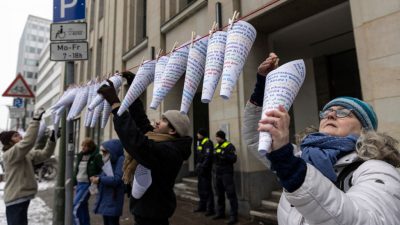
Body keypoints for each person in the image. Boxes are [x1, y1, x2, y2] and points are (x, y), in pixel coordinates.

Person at [243, 53, 400, 225]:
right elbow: (256, 135)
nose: (331, 115)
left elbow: (366, 219)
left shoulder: (376, 168)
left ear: (365, 130)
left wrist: (290, 165)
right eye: (326, 112)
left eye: (343, 112)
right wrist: (263, 87)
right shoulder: (302, 156)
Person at [97, 77, 192, 225]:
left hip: (153, 216)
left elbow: (137, 143)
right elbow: (141, 122)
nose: (158, 121)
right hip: (147, 212)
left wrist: (116, 105)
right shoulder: (160, 140)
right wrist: (134, 87)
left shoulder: (170, 151)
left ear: (173, 130)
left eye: (164, 120)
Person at [1, 108, 58, 225]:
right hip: (15, 199)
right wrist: (36, 120)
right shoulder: (10, 154)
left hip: (22, 197)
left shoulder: (25, 153)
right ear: (10, 142)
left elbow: (44, 154)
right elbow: (28, 141)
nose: (20, 137)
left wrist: (52, 139)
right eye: (16, 136)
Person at [92, 139, 125, 225]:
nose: (103, 154)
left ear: (112, 151)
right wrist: (97, 177)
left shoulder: (120, 160)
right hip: (107, 198)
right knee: (106, 221)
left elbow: (117, 179)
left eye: (105, 152)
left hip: (113, 198)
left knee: (112, 222)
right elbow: (104, 175)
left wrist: (100, 179)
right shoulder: (109, 161)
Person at [73, 138, 103, 225]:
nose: (83, 147)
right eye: (83, 145)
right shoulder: (80, 156)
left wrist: (96, 178)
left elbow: (103, 170)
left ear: (90, 147)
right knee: (82, 206)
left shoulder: (96, 156)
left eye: (85, 146)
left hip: (87, 185)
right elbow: (76, 170)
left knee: (75, 206)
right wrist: (74, 182)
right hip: (79, 184)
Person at [212, 130, 238, 225]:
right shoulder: (216, 146)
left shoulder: (229, 146)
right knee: (219, 194)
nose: (216, 138)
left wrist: (224, 157)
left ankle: (233, 216)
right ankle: (220, 213)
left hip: (226, 174)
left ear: (221, 137)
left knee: (231, 195)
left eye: (217, 137)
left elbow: (234, 159)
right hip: (218, 174)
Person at [193, 128, 215, 216]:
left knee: (207, 189)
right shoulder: (199, 142)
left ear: (202, 134)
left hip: (205, 170)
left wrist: (202, 166)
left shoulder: (208, 143)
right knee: (201, 189)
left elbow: (208, 156)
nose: (197, 135)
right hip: (200, 169)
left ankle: (210, 209)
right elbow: (199, 155)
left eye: (198, 134)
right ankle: (202, 206)